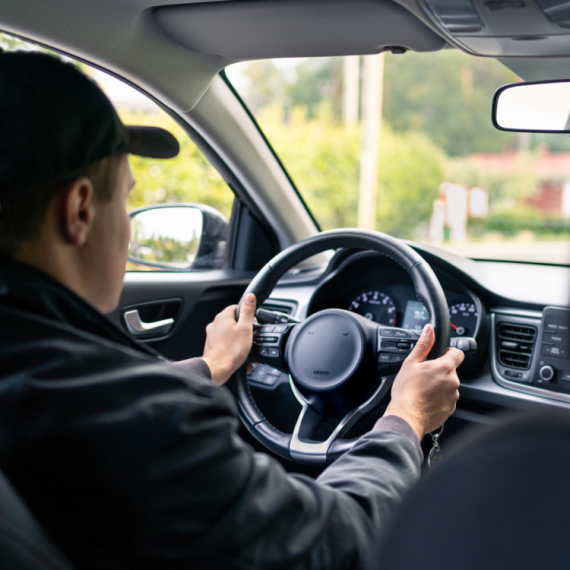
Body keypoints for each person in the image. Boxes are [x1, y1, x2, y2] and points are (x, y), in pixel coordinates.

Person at [0, 51, 464, 570]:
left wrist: (210, 366)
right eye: (125, 200)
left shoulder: (41, 376)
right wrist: (405, 418)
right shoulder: (154, 425)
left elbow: (84, 401)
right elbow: (336, 543)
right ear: (80, 209)